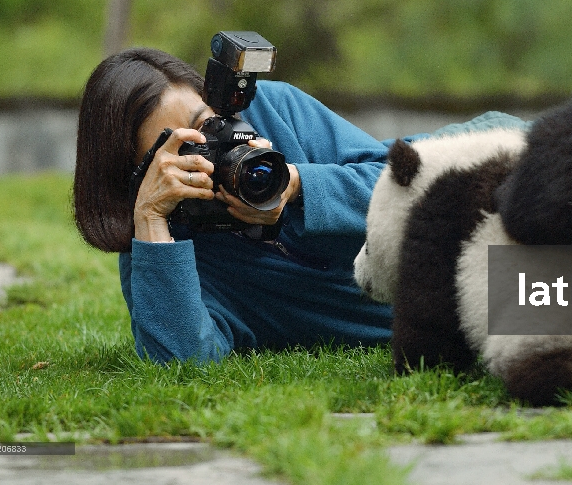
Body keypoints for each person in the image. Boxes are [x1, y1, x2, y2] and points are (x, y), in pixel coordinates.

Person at [73, 47, 526, 363]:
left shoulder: (270, 110)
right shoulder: (159, 260)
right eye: (182, 152)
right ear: (139, 180)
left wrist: (299, 186)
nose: (211, 151)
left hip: (479, 168)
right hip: (454, 301)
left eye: (205, 125)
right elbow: (182, 361)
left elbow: (396, 181)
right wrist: (152, 223)